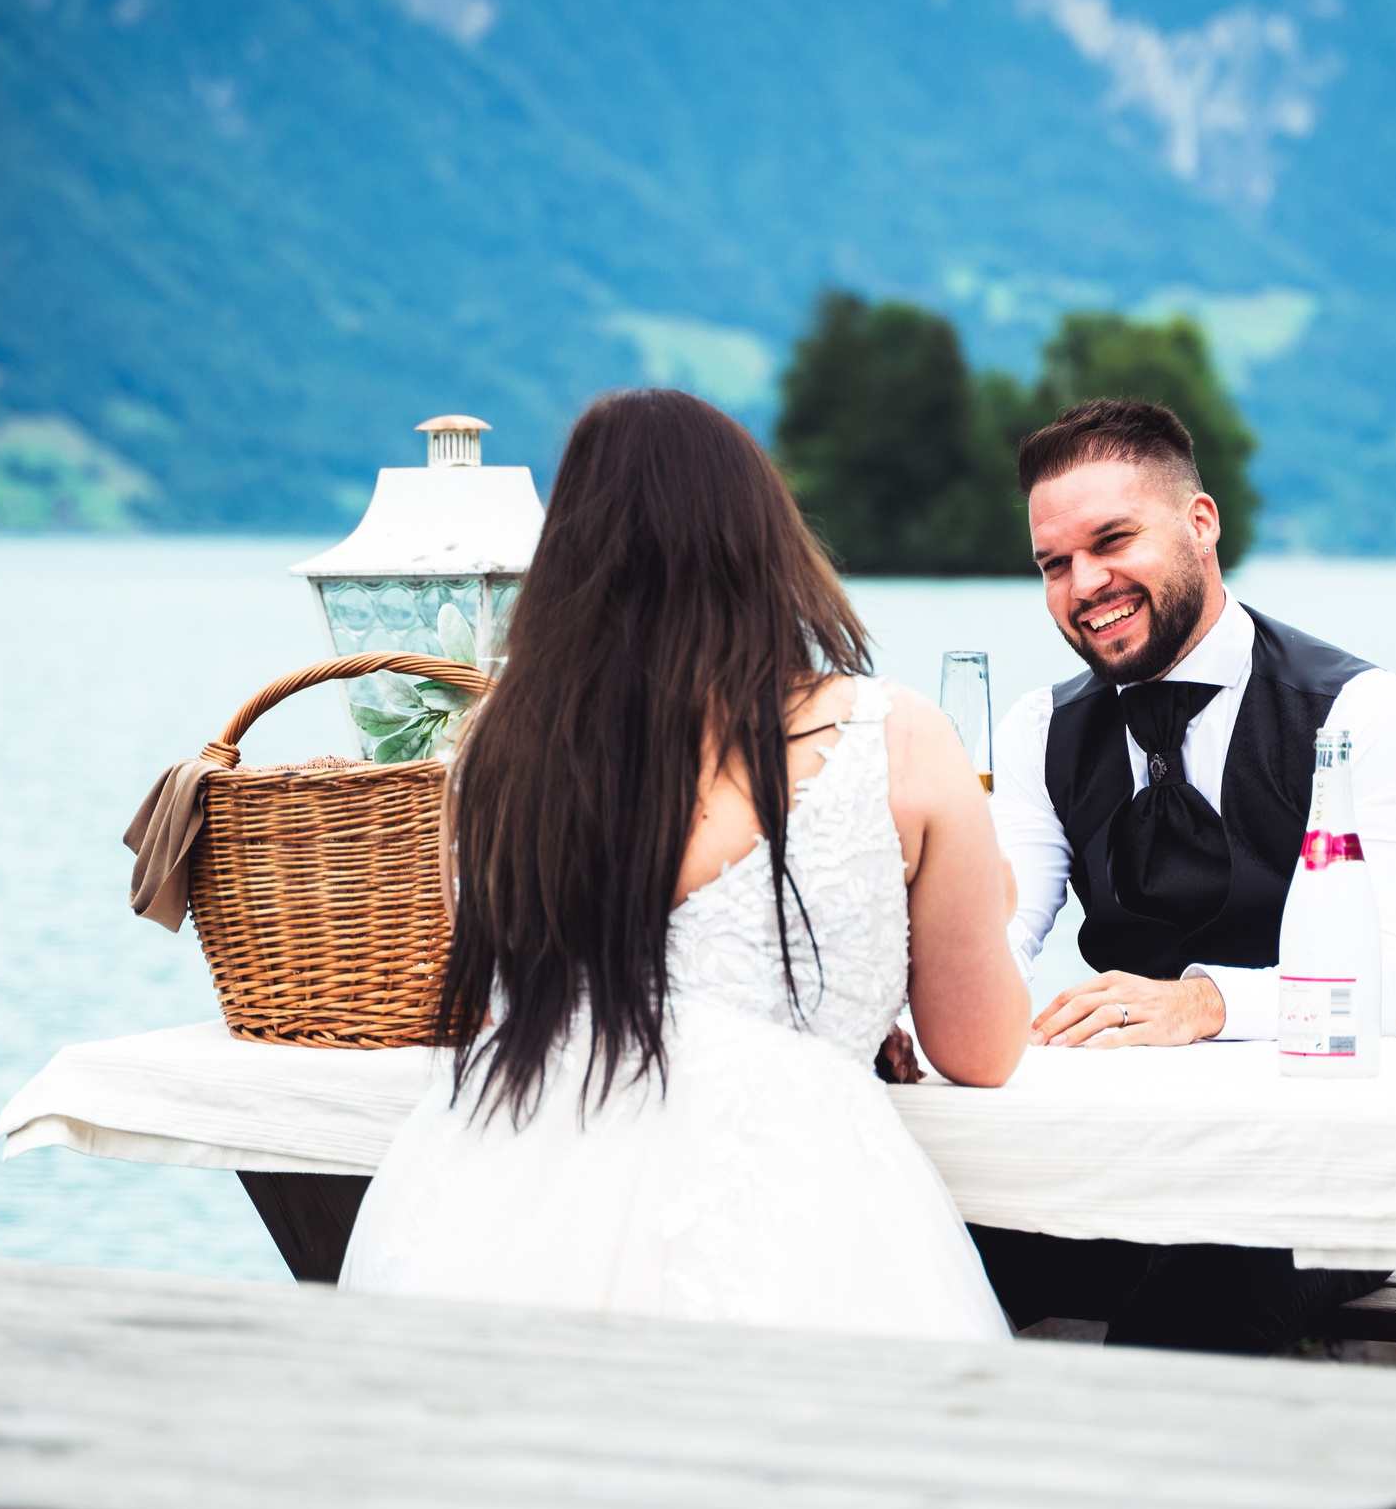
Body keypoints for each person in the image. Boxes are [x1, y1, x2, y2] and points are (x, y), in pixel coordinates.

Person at [342, 388, 1029, 1341]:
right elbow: (983, 1050)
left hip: (507, 1181)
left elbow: (503, 998)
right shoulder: (895, 736)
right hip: (794, 1207)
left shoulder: (493, 756)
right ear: (762, 542)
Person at [978, 398, 1396, 1353]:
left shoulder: (1363, 711)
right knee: (926, 1269)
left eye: (1112, 540)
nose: (1085, 584)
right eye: (1054, 564)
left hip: (1322, 1179)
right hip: (1119, 1162)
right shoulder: (1041, 729)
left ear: (1201, 525)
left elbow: (1395, 993)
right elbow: (996, 928)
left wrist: (1200, 1006)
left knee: (1181, 1326)